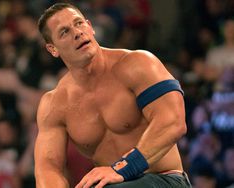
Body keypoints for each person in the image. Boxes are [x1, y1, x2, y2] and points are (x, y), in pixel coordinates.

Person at [34, 3, 191, 188]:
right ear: (53, 49)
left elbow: (173, 123)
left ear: (90, 27)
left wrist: (122, 169)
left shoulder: (137, 64)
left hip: (165, 179)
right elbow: (48, 168)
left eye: (79, 23)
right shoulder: (54, 104)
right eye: (64, 32)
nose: (77, 33)